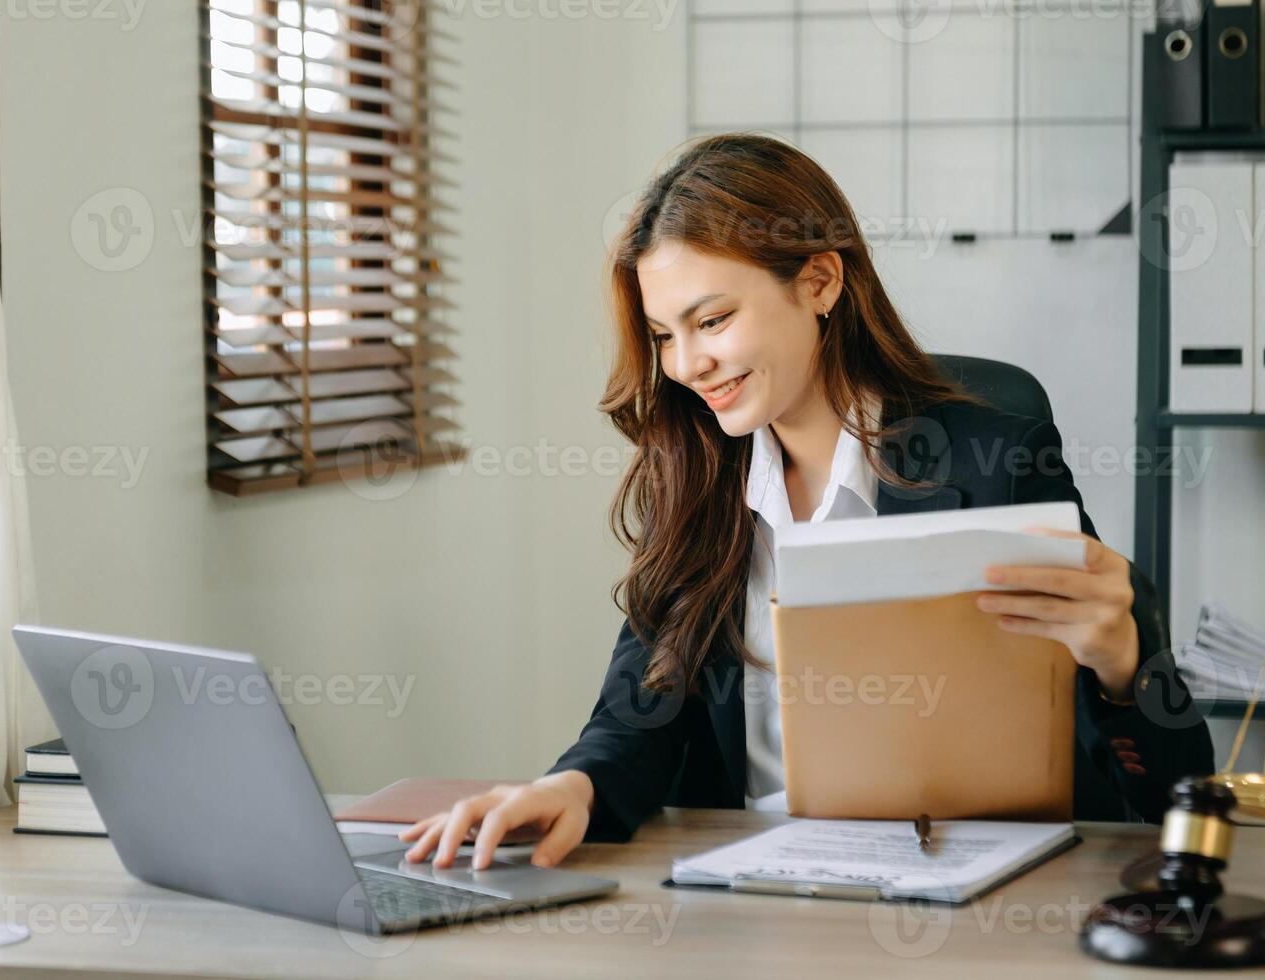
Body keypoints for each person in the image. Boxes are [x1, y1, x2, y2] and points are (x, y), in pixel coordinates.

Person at [400, 133, 1215, 871]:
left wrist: (1121, 668)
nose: (687, 364)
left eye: (712, 320)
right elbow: (637, 715)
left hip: (968, 891)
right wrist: (574, 786)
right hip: (748, 894)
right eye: (662, 336)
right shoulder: (696, 479)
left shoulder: (997, 458)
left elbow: (1172, 784)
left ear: (820, 281)